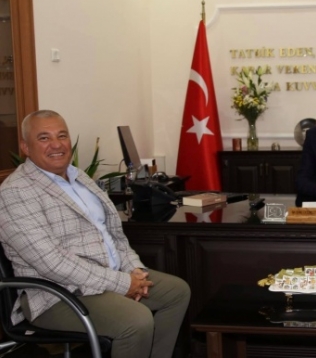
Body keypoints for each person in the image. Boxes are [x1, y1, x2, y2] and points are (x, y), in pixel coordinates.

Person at [0, 110, 191, 358]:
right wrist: (122, 283)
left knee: (176, 292)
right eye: (44, 138)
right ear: (26, 147)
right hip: (58, 294)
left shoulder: (80, 177)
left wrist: (134, 270)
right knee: (136, 320)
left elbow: (112, 233)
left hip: (108, 277)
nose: (56, 144)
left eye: (62, 136)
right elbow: (52, 263)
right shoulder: (15, 193)